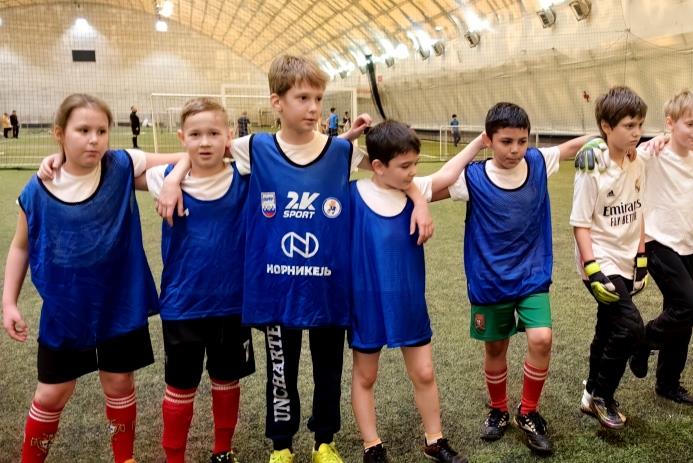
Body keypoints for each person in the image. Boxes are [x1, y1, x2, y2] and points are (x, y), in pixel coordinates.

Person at [157, 54, 432, 463]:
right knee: (280, 373)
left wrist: (418, 200)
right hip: (276, 288)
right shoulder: (254, 148)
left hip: (327, 285)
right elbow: (202, 148)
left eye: (318, 98)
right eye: (302, 98)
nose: (313, 107)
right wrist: (175, 178)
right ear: (277, 102)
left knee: (328, 371)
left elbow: (391, 171)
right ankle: (282, 446)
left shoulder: (342, 151)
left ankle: (325, 442)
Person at [4, 93, 184, 463]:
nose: (94, 139)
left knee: (119, 383)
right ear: (59, 133)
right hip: (66, 308)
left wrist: (172, 181)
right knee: (51, 393)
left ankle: (124, 458)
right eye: (83, 130)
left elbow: (187, 156)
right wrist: (8, 302)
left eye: (102, 130)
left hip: (119, 302)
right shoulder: (37, 189)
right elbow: (21, 246)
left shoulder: (120, 165)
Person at [433, 102, 591, 456]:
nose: (515, 149)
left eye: (522, 141)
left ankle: (528, 412)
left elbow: (571, 147)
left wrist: (603, 137)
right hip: (490, 280)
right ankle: (499, 409)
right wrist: (474, 146)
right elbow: (432, 187)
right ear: (490, 140)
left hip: (532, 275)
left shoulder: (537, 162)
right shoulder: (473, 177)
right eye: (506, 141)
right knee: (495, 348)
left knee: (542, 338)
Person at [349, 121, 480, 463]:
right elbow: (330, 156)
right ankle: (372, 445)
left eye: (415, 164)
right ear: (378, 166)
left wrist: (479, 142)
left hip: (407, 300)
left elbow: (448, 174)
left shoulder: (414, 188)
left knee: (424, 372)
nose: (412, 172)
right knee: (366, 375)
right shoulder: (353, 194)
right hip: (366, 303)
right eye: (405, 165)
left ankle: (434, 440)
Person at [145, 98, 254, 463]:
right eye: (195, 135)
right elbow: (119, 162)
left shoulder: (244, 177)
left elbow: (292, 152)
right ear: (182, 138)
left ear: (229, 136)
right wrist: (175, 174)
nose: (205, 142)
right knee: (180, 385)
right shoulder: (162, 179)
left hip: (232, 303)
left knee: (226, 380)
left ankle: (222, 450)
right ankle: (174, 456)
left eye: (213, 133)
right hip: (182, 304)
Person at [624, 89, 693, 405]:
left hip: (685, 245)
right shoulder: (653, 153)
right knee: (691, 307)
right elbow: (627, 154)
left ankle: (668, 383)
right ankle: (643, 341)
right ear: (671, 123)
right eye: (690, 124)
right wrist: (655, 139)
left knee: (681, 318)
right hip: (656, 242)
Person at [571, 86, 648, 431]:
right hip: (600, 261)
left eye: (640, 125)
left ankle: (590, 393)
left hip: (627, 259)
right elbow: (580, 223)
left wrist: (641, 255)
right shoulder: (592, 166)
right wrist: (592, 269)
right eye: (629, 126)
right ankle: (603, 395)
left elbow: (639, 210)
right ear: (606, 126)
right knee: (630, 327)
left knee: (608, 328)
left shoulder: (638, 161)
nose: (636, 132)